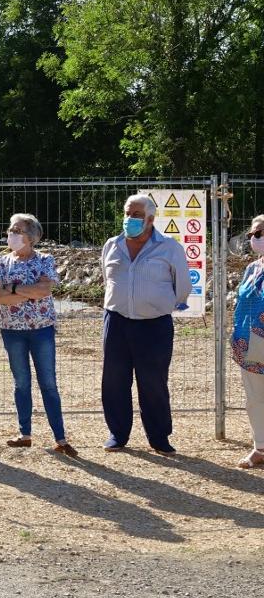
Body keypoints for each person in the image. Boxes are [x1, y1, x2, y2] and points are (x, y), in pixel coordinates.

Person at [101, 193, 192, 455]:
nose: (130, 219)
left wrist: (157, 304)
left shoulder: (169, 248)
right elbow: (108, 279)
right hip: (116, 322)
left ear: (151, 219)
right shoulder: (112, 245)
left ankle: (159, 437)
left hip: (154, 325)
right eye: (127, 213)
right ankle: (118, 434)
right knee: (114, 380)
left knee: (153, 382)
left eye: (137, 215)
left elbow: (182, 285)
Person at [0, 214, 77, 457]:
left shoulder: (46, 260)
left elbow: (45, 290)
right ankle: (24, 434)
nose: (11, 234)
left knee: (48, 383)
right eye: (10, 229)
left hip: (42, 330)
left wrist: (12, 289)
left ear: (31, 236)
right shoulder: (0, 262)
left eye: (17, 230)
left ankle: (60, 438)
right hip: (11, 330)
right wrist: (30, 292)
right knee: (21, 383)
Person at [233, 214, 264, 468]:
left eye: (260, 233)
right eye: (253, 234)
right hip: (249, 344)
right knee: (255, 397)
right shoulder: (252, 268)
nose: (255, 238)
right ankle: (260, 447)